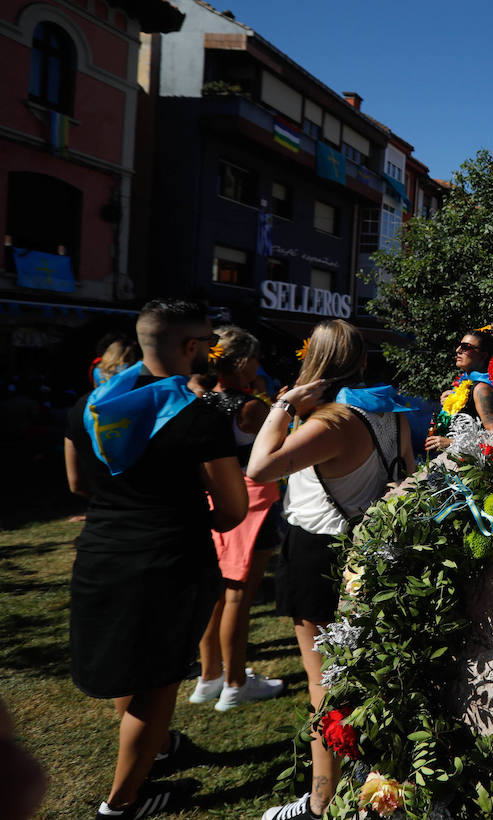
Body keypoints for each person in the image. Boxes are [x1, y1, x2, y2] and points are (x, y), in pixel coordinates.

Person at [64, 299, 247, 818]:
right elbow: (232, 509)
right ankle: (121, 806)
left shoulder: (87, 405)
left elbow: (77, 483)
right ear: (190, 347)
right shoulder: (200, 414)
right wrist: (191, 514)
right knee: (158, 681)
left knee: (127, 667)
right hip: (169, 559)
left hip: (100, 552)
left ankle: (158, 750)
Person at [249, 319, 415, 820]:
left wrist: (282, 407)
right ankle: (368, 779)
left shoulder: (331, 423)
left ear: (311, 366)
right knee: (362, 672)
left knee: (324, 682)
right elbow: (403, 477)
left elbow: (258, 468)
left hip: (318, 553)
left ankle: (320, 803)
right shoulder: (392, 412)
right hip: (368, 552)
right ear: (362, 362)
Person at [189, 325, 286, 711]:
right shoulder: (251, 408)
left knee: (216, 593)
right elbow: (276, 449)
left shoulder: (201, 402)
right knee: (238, 597)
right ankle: (234, 682)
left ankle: (209, 676)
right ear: (246, 363)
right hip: (253, 503)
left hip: (214, 500)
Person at [425, 326, 493, 455]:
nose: (458, 350)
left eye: (466, 347)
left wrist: (451, 442)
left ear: (482, 355)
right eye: (459, 346)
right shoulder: (464, 386)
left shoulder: (482, 389)